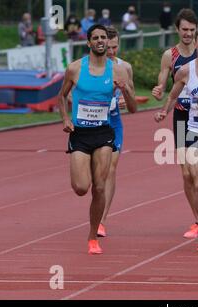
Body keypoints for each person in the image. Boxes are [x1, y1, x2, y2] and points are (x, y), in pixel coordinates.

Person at [57, 24, 135, 254]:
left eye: (104, 37)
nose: (101, 41)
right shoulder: (74, 69)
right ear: (89, 42)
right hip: (80, 134)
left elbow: (132, 109)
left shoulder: (118, 71)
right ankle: (85, 168)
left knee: (100, 187)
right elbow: (61, 96)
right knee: (81, 187)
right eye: (96, 38)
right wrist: (65, 119)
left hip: (104, 132)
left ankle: (93, 236)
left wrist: (127, 91)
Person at [154, 27, 198, 252]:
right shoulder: (186, 71)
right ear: (196, 45)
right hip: (196, 131)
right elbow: (174, 94)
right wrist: (164, 111)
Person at [98, 26, 137, 237]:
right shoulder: (90, 66)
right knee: (96, 175)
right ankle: (97, 207)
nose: (111, 51)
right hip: (93, 123)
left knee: (111, 169)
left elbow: (132, 102)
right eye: (108, 47)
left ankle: (102, 219)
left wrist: (124, 95)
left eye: (115, 47)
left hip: (113, 123)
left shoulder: (125, 68)